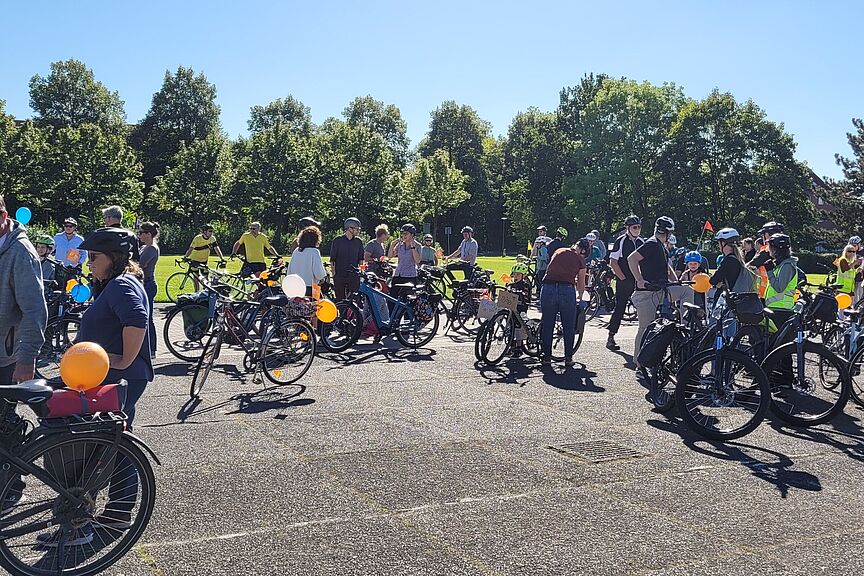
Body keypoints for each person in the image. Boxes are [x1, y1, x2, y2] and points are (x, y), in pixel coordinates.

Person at [75, 226, 152, 537]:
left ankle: (80, 520)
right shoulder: (112, 284)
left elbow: (137, 319)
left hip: (121, 378)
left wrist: (123, 360)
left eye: (94, 257)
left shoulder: (122, 285)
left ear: (115, 258)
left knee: (101, 444)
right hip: (112, 376)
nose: (89, 262)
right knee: (118, 444)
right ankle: (118, 513)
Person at [0, 194, 47, 386]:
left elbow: (35, 310)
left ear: (3, 216)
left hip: (5, 359)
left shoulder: (21, 252)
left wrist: (27, 359)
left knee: (5, 415)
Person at [628, 216, 687, 360]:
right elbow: (632, 258)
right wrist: (640, 280)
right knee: (645, 328)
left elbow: (667, 266)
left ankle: (685, 322)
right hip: (647, 293)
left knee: (686, 290)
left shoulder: (661, 246)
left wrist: (676, 281)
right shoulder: (652, 244)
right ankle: (639, 364)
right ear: (668, 232)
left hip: (659, 291)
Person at [539, 244, 586, 367]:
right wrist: (580, 297)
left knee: (548, 324)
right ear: (582, 251)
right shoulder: (580, 260)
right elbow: (581, 283)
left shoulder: (559, 250)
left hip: (548, 287)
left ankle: (547, 357)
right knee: (568, 325)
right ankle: (568, 358)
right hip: (566, 289)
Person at [606, 215, 643, 351]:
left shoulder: (641, 242)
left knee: (643, 308)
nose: (637, 229)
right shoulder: (621, 241)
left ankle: (644, 339)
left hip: (638, 281)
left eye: (639, 227)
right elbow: (613, 262)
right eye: (634, 227)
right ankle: (611, 337)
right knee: (620, 308)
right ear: (628, 228)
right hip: (625, 280)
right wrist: (622, 278)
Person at [763, 234, 798, 328]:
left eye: (769, 247)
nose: (768, 249)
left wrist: (769, 271)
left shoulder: (787, 266)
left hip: (782, 310)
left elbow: (779, 288)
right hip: (775, 308)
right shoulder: (780, 264)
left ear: (775, 249)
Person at [708, 228, 756, 295]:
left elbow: (713, 280)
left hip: (730, 299)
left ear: (723, 243)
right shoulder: (737, 258)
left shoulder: (728, 260)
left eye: (719, 243)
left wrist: (718, 283)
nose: (718, 246)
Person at [137, 222, 160, 358]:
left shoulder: (151, 248)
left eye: (141, 233)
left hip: (148, 285)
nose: (139, 235)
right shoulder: (146, 247)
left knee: (148, 318)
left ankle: (152, 349)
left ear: (148, 234)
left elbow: (140, 265)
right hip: (145, 284)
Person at [330, 217, 365, 300]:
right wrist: (334, 275)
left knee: (354, 300)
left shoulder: (358, 242)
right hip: (340, 275)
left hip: (353, 276)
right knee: (340, 299)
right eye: (357, 229)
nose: (358, 231)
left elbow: (361, 259)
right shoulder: (337, 241)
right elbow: (332, 260)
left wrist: (360, 272)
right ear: (350, 228)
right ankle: (342, 313)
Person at [288, 226, 327, 297]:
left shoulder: (296, 251)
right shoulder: (314, 252)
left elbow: (290, 270)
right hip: (311, 288)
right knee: (317, 306)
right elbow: (318, 273)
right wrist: (323, 278)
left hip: (296, 287)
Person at [748, 221, 784, 298]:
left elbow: (748, 267)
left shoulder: (766, 251)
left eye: (763, 234)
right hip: (782, 297)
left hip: (764, 293)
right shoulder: (785, 250)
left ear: (767, 235)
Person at [389, 224, 422, 299]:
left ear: (412, 235)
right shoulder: (400, 245)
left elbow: (418, 260)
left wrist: (413, 247)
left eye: (406, 234)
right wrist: (392, 244)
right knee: (393, 299)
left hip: (410, 276)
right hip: (398, 274)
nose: (404, 236)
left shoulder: (418, 245)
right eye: (402, 233)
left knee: (406, 300)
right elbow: (390, 256)